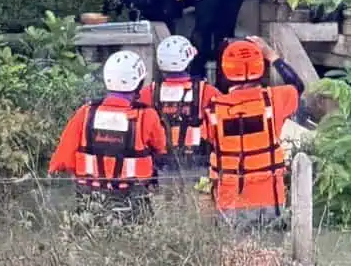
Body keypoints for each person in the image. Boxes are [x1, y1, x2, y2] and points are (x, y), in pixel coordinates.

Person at [48, 51, 167, 224]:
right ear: (139, 82)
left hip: (90, 199)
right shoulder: (147, 116)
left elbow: (61, 160)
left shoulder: (85, 113)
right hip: (132, 199)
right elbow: (161, 148)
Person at [204, 37, 304, 229]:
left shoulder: (213, 108)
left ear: (225, 70)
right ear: (261, 66)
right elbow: (297, 86)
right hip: (270, 199)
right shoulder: (275, 99)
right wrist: (272, 56)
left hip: (229, 200)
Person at [138, 35, 221, 173]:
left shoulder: (147, 94)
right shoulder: (207, 92)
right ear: (189, 62)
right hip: (199, 167)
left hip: (159, 169)